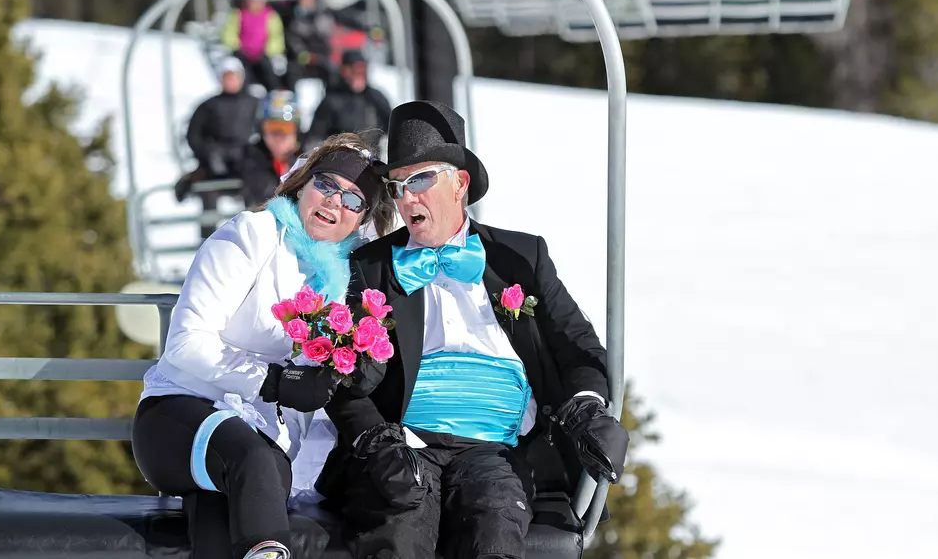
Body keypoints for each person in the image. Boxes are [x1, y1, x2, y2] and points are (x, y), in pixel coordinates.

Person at [318, 101, 630, 558]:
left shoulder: (520, 258)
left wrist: (586, 408)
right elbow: (344, 371)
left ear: (459, 183)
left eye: (420, 180)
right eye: (397, 186)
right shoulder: (372, 268)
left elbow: (576, 344)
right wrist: (375, 439)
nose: (406, 199)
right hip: (406, 444)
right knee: (399, 521)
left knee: (493, 519)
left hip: (496, 448)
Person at [132, 134, 395, 559]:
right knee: (252, 462)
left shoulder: (350, 279)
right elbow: (184, 343)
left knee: (243, 493)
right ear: (303, 184)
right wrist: (273, 382)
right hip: (179, 413)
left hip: (263, 442)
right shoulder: (252, 234)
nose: (334, 202)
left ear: (363, 217)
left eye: (352, 199)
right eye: (327, 185)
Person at [176, 56, 261, 238]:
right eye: (226, 76)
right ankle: (206, 240)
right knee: (207, 191)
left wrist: (254, 155)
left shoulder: (254, 104)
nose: (230, 80)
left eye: (234, 76)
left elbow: (265, 132)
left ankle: (254, 236)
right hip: (214, 162)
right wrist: (207, 156)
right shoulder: (208, 106)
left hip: (245, 161)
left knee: (258, 188)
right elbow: (193, 135)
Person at [302, 50, 391, 155]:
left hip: (373, 162)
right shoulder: (332, 101)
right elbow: (314, 138)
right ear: (344, 71)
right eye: (354, 70)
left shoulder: (375, 98)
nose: (358, 75)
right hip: (341, 163)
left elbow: (394, 128)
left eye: (361, 71)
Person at [241, 90, 302, 209]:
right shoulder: (251, 159)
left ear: (296, 131)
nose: (279, 136)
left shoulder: (312, 159)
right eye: (272, 128)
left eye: (286, 128)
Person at [221, 0, 287, 92]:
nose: (256, 4)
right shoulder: (239, 14)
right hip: (242, 53)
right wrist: (238, 47)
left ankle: (275, 93)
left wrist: (268, 51)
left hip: (263, 54)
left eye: (259, 1)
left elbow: (276, 36)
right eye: (253, 1)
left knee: (269, 73)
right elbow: (229, 34)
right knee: (241, 72)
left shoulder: (271, 15)